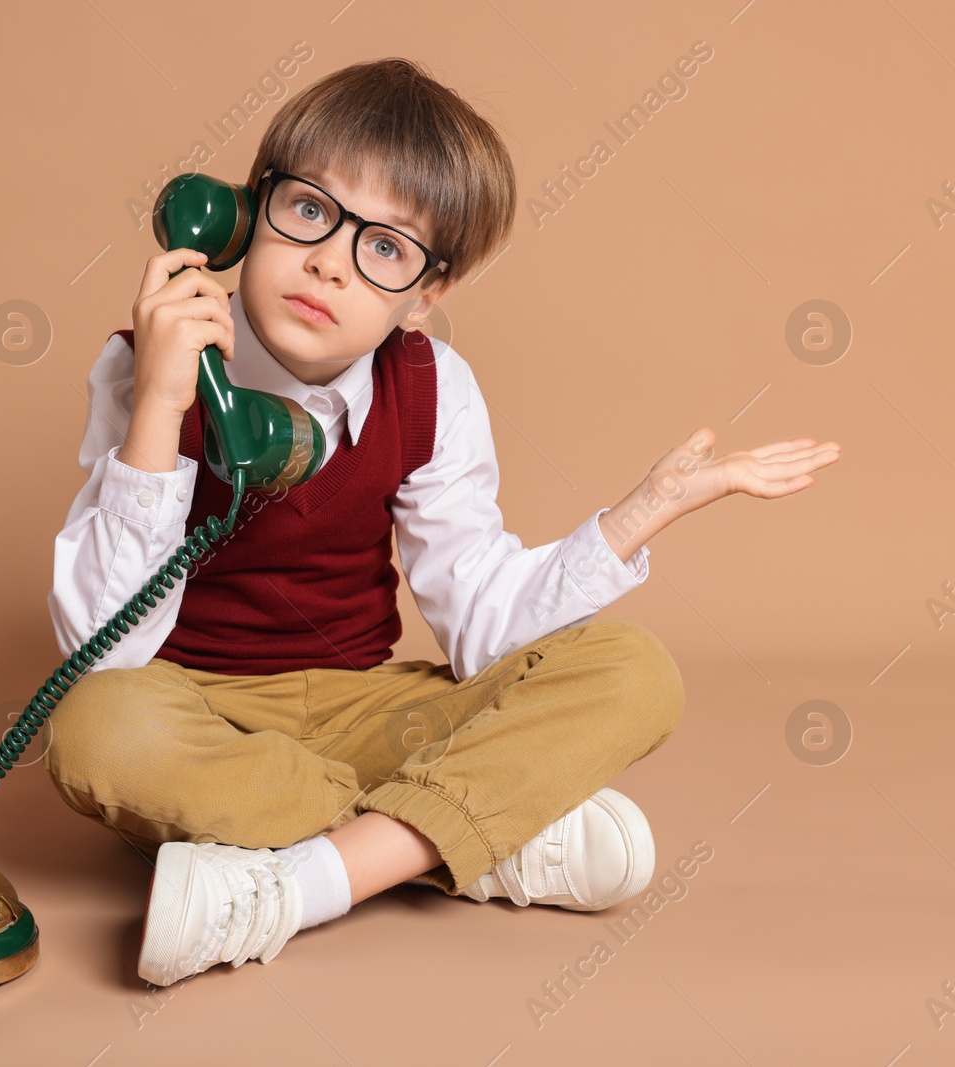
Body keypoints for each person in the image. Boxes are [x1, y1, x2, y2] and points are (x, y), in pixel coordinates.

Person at [42, 57, 841, 988]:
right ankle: (465, 835)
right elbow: (101, 649)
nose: (329, 260)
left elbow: (483, 628)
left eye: (385, 248)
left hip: (362, 707)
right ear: (241, 211)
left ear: (424, 296)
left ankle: (300, 881)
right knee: (92, 727)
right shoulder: (145, 364)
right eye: (309, 210)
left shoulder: (433, 389)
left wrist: (643, 513)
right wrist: (159, 409)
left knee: (633, 669)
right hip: (190, 707)